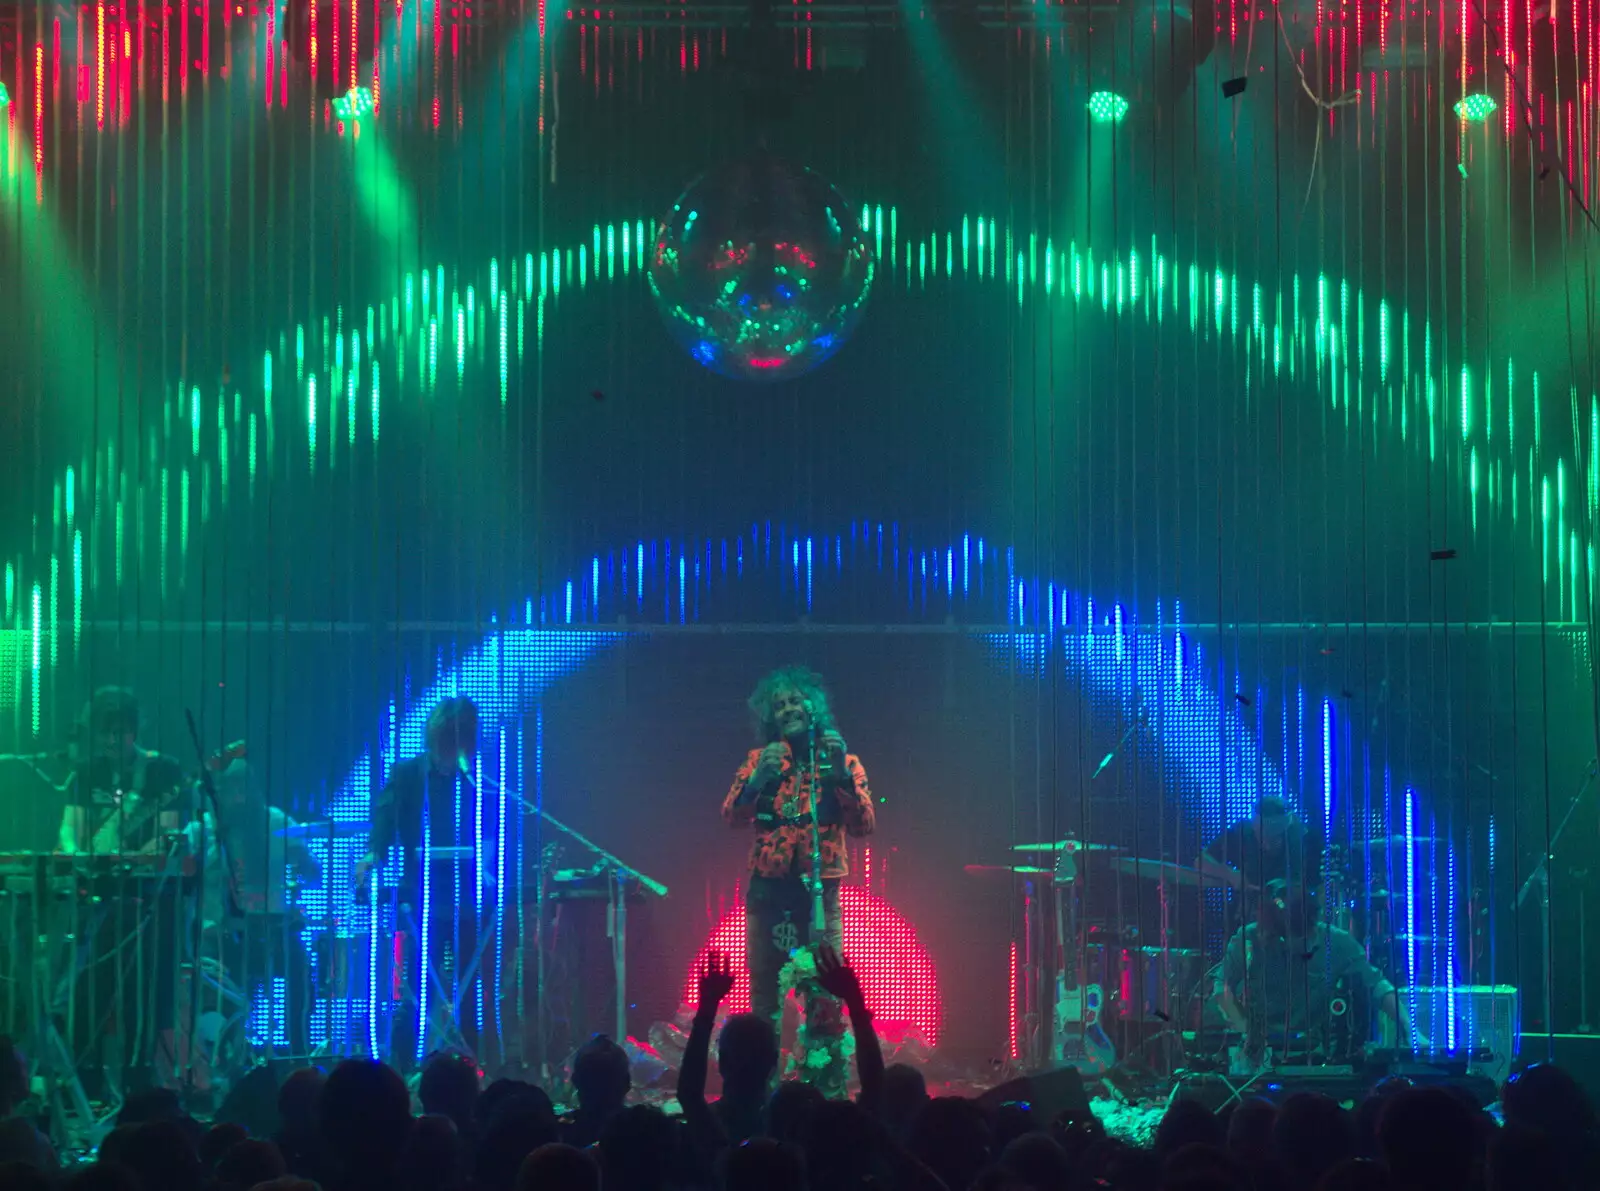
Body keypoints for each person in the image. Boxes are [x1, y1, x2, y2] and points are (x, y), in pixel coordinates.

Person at [721, 666, 876, 1098]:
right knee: (765, 998)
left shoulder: (840, 759)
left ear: (813, 708)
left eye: (794, 701)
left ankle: (824, 1092)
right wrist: (755, 783)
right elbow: (731, 816)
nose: (787, 709)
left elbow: (864, 825)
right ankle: (758, 1091)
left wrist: (842, 779)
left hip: (819, 895)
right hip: (769, 892)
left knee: (825, 995)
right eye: (779, 704)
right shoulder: (761, 760)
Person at [55, 687, 192, 1088]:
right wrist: (77, 854)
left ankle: (139, 1085)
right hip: (93, 904)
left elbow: (169, 837)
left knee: (142, 997)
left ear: (135, 729)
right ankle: (88, 1085)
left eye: (121, 731)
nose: (113, 740)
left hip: (148, 905)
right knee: (86, 994)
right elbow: (68, 829)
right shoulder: (85, 772)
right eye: (105, 732)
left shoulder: (163, 771)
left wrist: (146, 852)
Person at [359, 697, 497, 1069]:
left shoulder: (475, 778)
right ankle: (406, 1070)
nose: (451, 754)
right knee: (418, 987)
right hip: (421, 896)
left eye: (458, 747)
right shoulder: (407, 775)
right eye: (445, 745)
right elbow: (385, 819)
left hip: (466, 898)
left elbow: (488, 830)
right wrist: (373, 855)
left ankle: (474, 1068)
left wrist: (485, 869)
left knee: (470, 991)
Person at [186, 754, 320, 1057]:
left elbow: (312, 871)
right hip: (216, 934)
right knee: (210, 981)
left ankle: (298, 1051)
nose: (238, 798)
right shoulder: (201, 830)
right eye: (230, 791)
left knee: (300, 970)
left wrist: (304, 868)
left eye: (243, 789)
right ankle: (222, 1053)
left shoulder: (276, 821)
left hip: (270, 928)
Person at [1217, 881, 1408, 1062]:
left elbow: (1377, 987)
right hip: (1261, 1050)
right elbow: (1222, 988)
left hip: (1316, 1050)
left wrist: (1410, 1030)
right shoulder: (1247, 939)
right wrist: (1244, 1029)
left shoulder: (1336, 941)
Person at [1199, 796, 1322, 902]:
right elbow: (1201, 861)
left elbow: (1320, 884)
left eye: (1275, 838)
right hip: (1248, 914)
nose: (1267, 844)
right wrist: (1230, 874)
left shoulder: (1308, 840)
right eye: (1262, 836)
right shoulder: (1240, 834)